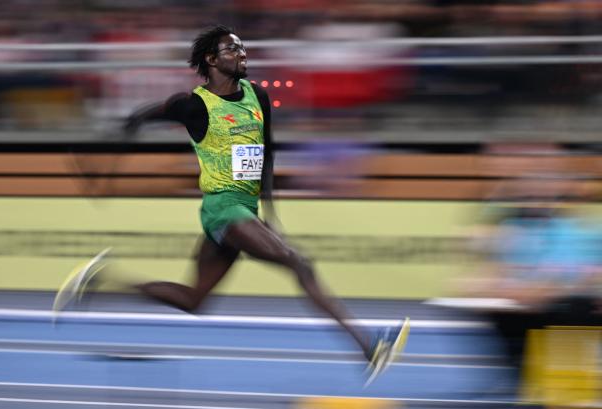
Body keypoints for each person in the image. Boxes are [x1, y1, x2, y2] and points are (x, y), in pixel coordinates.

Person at [53, 25, 409, 384]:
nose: (242, 55)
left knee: (193, 300)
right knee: (300, 264)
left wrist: (269, 214)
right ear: (211, 60)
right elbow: (141, 117)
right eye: (232, 50)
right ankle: (368, 346)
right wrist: (100, 154)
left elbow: (266, 155)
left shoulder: (258, 96)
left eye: (243, 49)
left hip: (244, 210)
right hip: (223, 208)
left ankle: (103, 279)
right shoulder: (194, 105)